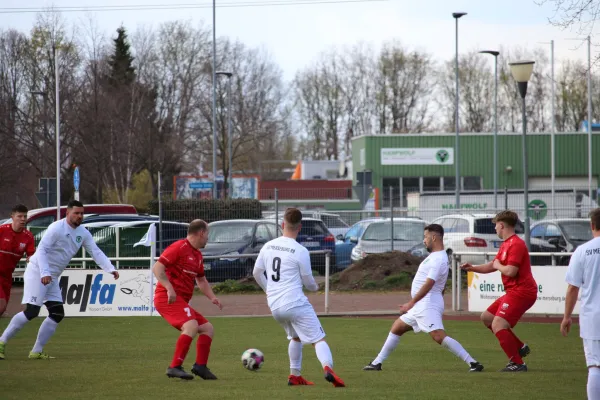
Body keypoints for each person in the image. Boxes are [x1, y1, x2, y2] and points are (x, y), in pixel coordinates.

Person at [0, 200, 119, 360]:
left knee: (57, 313)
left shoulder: (83, 233)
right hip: (38, 272)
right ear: (67, 213)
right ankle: (2, 342)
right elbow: (41, 251)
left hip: (52, 276)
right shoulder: (56, 228)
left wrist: (110, 268)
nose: (79, 216)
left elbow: (95, 251)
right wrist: (45, 272)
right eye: (76, 213)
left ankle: (36, 351)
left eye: (82, 213)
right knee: (32, 311)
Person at [363, 224, 484, 373]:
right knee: (397, 327)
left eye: (426, 237)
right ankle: (377, 363)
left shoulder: (438, 259)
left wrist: (411, 303)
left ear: (434, 237)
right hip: (423, 304)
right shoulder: (436, 257)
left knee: (438, 336)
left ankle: (473, 362)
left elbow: (430, 283)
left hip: (427, 303)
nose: (424, 240)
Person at [253, 208, 345, 387]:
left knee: (295, 337)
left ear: (282, 225)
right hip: (294, 303)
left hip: (275, 306)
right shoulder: (300, 250)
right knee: (318, 338)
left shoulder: (268, 246)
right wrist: (316, 287)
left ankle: (294, 376)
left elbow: (257, 273)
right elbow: (309, 282)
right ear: (300, 227)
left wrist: (268, 290)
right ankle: (328, 368)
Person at [461, 210, 537, 372]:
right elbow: (492, 265)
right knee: (487, 317)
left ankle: (517, 363)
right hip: (513, 292)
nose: (495, 228)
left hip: (522, 292)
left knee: (498, 323)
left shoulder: (516, 244)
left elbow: (510, 271)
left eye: (496, 225)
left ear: (502, 225)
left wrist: (497, 265)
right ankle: (519, 347)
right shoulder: (506, 244)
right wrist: (472, 268)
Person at [152, 219, 222, 380]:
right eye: (208, 235)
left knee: (207, 328)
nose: (208, 239)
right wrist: (169, 288)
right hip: (166, 298)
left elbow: (201, 280)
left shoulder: (197, 255)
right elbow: (157, 268)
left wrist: (213, 297)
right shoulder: (178, 247)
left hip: (180, 301)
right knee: (191, 325)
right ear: (201, 233)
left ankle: (200, 367)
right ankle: (174, 367)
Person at [561, 208, 600, 399]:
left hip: (593, 317)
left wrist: (567, 317)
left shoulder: (582, 251)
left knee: (595, 365)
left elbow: (572, 288)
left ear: (592, 225)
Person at [0, 204, 35, 317]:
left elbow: (31, 256)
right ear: (12, 217)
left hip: (7, 276)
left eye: (25, 216)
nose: (23, 219)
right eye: (19, 216)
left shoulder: (28, 236)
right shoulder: (2, 230)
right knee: (1, 304)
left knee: (2, 309)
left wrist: (32, 260)